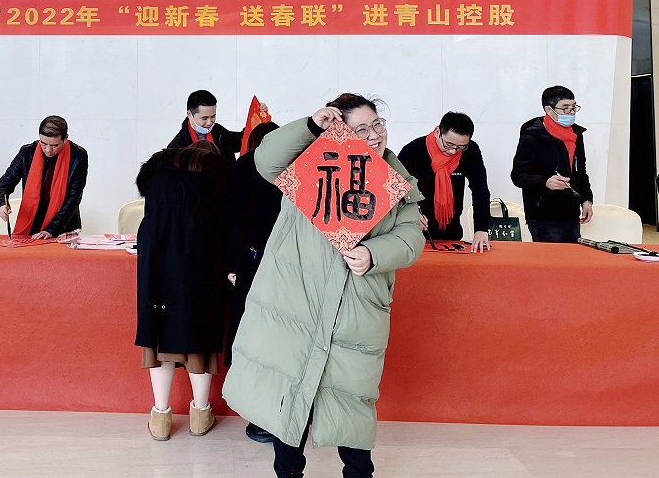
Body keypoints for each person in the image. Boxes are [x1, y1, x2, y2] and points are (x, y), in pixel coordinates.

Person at [222, 94, 425, 478]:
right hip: (296, 304)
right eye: (361, 129)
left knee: (352, 403)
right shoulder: (313, 162)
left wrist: (374, 253)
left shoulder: (397, 179)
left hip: (357, 310)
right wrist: (311, 126)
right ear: (340, 132)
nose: (374, 135)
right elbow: (266, 159)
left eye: (377, 124)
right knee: (290, 401)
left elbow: (411, 237)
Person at [135, 140, 232, 441]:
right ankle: (200, 416)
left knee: (160, 337)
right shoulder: (215, 181)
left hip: (156, 266)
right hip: (199, 268)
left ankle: (160, 418)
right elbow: (226, 231)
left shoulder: (156, 178)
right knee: (198, 338)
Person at [224, 121, 281, 444]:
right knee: (272, 338)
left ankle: (260, 417)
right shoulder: (292, 164)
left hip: (252, 258)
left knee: (253, 334)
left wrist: (232, 264)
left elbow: (233, 217)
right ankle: (270, 414)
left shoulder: (247, 164)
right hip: (278, 260)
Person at [398, 112, 492, 252]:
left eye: (461, 147)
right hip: (416, 228)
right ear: (438, 132)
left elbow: (480, 190)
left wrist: (481, 228)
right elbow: (396, 190)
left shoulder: (471, 151)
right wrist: (410, 214)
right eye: (449, 144)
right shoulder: (413, 151)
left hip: (452, 228)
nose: (453, 151)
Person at [511, 85, 593, 243]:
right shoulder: (532, 137)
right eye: (565, 108)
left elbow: (581, 172)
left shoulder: (576, 135)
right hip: (543, 216)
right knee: (551, 259)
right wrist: (545, 182)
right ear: (549, 110)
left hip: (571, 213)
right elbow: (518, 175)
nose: (571, 112)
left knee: (573, 257)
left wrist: (586, 199)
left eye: (574, 107)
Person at [0, 116, 88, 239]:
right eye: (43, 143)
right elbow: (3, 184)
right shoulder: (27, 153)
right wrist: (0, 205)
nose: (48, 150)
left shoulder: (78, 156)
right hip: (33, 224)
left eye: (55, 145)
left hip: (64, 226)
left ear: (65, 139)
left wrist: (52, 229)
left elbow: (73, 197)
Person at [167, 89, 266, 164]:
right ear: (189, 114)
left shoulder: (219, 132)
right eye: (204, 118)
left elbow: (244, 140)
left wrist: (259, 117)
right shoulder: (177, 147)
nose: (209, 122)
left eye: (213, 116)